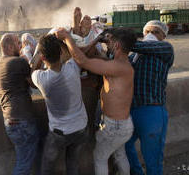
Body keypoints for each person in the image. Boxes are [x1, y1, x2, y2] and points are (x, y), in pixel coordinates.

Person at [55, 27, 137, 175]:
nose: (108, 44)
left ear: (117, 45)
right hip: (123, 124)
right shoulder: (123, 65)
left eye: (110, 42)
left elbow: (82, 61)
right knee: (120, 154)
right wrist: (96, 40)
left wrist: (67, 37)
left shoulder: (116, 66)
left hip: (114, 126)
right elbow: (97, 58)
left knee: (99, 158)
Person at [31, 34, 88, 175]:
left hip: (59, 133)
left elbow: (32, 67)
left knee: (47, 168)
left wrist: (38, 53)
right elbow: (78, 55)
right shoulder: (73, 67)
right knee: (73, 164)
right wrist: (66, 38)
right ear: (61, 52)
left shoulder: (41, 78)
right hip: (81, 128)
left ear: (43, 58)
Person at [125, 20, 174, 175]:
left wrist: (121, 40)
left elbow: (140, 46)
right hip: (132, 110)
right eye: (148, 31)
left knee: (152, 159)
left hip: (152, 111)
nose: (151, 35)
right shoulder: (133, 57)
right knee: (124, 147)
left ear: (163, 36)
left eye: (156, 32)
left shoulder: (165, 49)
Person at [0, 33, 39, 175]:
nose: (21, 46)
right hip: (23, 120)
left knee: (23, 159)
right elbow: (35, 82)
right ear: (11, 46)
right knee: (24, 165)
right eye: (19, 43)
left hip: (9, 120)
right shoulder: (18, 62)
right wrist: (35, 53)